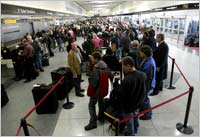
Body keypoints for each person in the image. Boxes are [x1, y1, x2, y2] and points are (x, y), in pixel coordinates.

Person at [85, 52, 113, 131]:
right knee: (101, 102)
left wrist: (90, 78)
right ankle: (101, 117)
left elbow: (93, 83)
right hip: (103, 90)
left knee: (91, 105)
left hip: (96, 91)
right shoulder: (105, 65)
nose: (92, 59)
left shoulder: (96, 68)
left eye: (92, 58)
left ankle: (93, 122)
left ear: (96, 59)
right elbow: (111, 75)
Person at [119, 56, 146, 136]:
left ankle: (131, 133)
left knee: (129, 122)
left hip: (128, 107)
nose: (123, 68)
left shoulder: (127, 80)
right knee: (135, 117)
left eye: (123, 66)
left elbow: (122, 96)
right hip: (138, 103)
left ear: (128, 66)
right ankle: (136, 129)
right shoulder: (142, 75)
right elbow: (144, 90)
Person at [139, 45, 156, 120]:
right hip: (145, 84)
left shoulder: (149, 64)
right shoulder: (147, 59)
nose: (140, 53)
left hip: (147, 85)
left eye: (141, 52)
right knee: (143, 98)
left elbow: (148, 78)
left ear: (145, 53)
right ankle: (143, 109)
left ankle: (148, 114)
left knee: (145, 99)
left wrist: (144, 88)